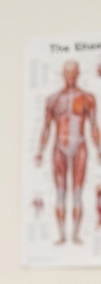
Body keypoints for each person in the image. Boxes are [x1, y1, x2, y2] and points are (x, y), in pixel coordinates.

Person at [35, 60, 101, 245]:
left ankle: (76, 235)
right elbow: (46, 127)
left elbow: (94, 126)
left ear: (78, 73)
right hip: (59, 147)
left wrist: (99, 149)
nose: (70, 76)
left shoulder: (88, 98)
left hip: (79, 145)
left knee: (78, 191)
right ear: (63, 74)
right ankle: (62, 235)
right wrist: (40, 150)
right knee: (61, 192)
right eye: (67, 73)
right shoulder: (53, 99)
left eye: (73, 73)